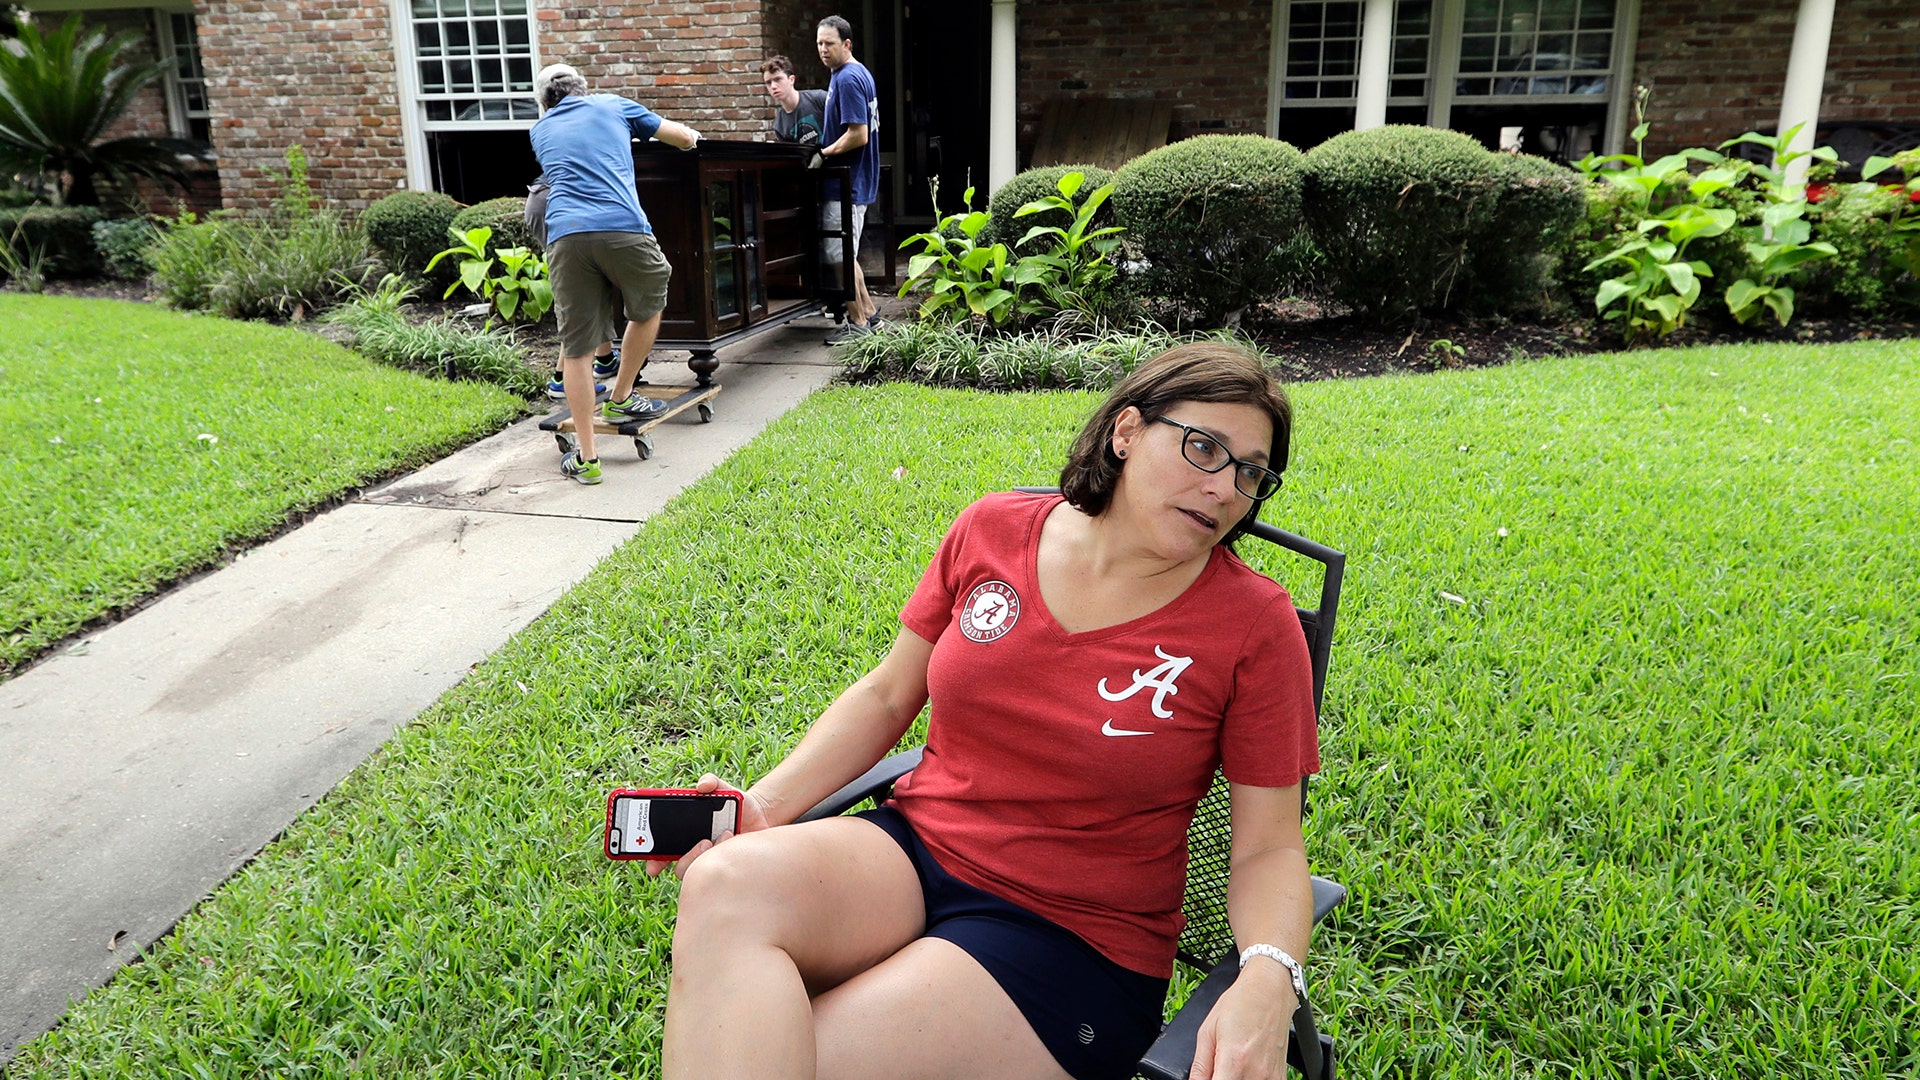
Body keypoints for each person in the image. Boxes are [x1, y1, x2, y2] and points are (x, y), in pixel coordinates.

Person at [656, 341, 1322, 1080]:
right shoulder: (994, 528)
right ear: (1126, 432)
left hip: (1071, 937)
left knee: (788, 1053)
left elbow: (1269, 847)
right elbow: (886, 695)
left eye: (1251, 472)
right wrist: (764, 806)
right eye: (1204, 448)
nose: (1225, 488)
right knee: (723, 887)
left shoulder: (1255, 625)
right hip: (915, 850)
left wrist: (1269, 973)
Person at [529, 62, 701, 485]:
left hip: (565, 235)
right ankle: (621, 396)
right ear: (583, 89)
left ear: (545, 102)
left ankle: (587, 460)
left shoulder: (540, 129)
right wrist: (693, 137)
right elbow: (680, 137)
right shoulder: (612, 105)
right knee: (648, 302)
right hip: (622, 226)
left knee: (576, 349)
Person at [815, 15, 883, 343]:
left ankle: (857, 324)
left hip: (848, 181)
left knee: (838, 254)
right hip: (853, 181)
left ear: (847, 44)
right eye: (819, 43)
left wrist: (824, 153)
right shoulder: (849, 74)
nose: (823, 49)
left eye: (829, 43)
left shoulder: (848, 78)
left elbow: (859, 135)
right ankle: (869, 313)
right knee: (845, 252)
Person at [761, 56, 827, 145]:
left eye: (778, 79)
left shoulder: (819, 98)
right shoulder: (780, 125)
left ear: (791, 80)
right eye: (768, 82)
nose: (773, 86)